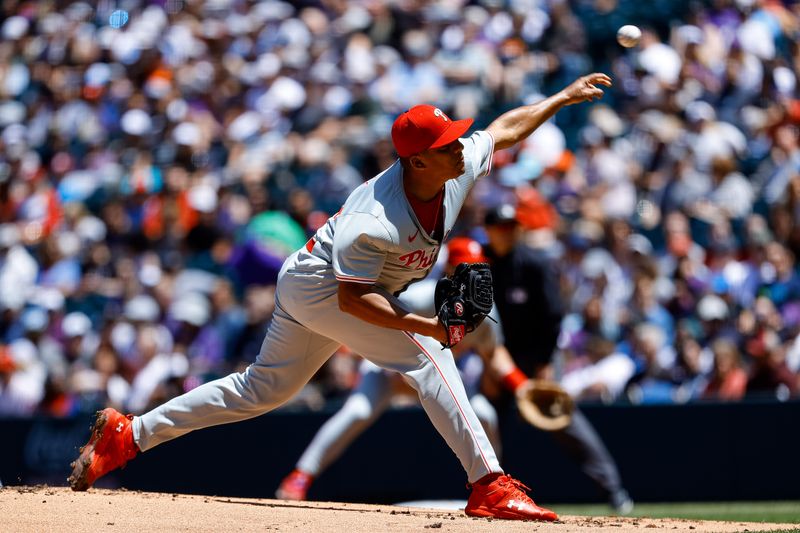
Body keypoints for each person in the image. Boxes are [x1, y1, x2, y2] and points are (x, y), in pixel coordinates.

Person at [68, 72, 612, 521]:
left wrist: (562, 98)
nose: (461, 148)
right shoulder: (375, 218)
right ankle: (489, 485)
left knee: (260, 390)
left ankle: (129, 435)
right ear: (418, 161)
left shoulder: (452, 166)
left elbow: (503, 131)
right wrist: (428, 328)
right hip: (324, 287)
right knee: (430, 356)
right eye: (448, 144)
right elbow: (353, 302)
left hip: (338, 282)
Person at [275, 237, 533, 500]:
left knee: (485, 414)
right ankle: (300, 477)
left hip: (440, 381)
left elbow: (493, 354)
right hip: (388, 371)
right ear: (448, 270)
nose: (473, 278)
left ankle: (494, 488)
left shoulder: (486, 314)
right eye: (464, 269)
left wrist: (521, 386)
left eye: (480, 269)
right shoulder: (419, 298)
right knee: (357, 412)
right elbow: (367, 323)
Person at [483, 203, 634, 514]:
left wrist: (546, 364)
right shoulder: (482, 265)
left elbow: (553, 317)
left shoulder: (534, 264)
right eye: (500, 227)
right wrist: (488, 365)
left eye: (511, 227)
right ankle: (492, 493)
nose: (507, 232)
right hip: (499, 361)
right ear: (489, 231)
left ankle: (614, 491)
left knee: (565, 421)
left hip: (540, 359)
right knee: (485, 422)